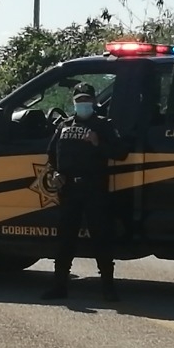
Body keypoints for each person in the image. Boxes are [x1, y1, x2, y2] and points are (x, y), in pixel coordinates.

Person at [42, 82, 127, 302]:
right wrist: (55, 173)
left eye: (86, 100)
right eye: (79, 100)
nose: (83, 104)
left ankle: (108, 288)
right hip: (69, 189)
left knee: (101, 238)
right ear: (74, 101)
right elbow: (51, 154)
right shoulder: (64, 125)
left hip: (94, 188)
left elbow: (121, 153)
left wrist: (98, 143)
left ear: (94, 101)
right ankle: (59, 286)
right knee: (65, 240)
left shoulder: (103, 125)